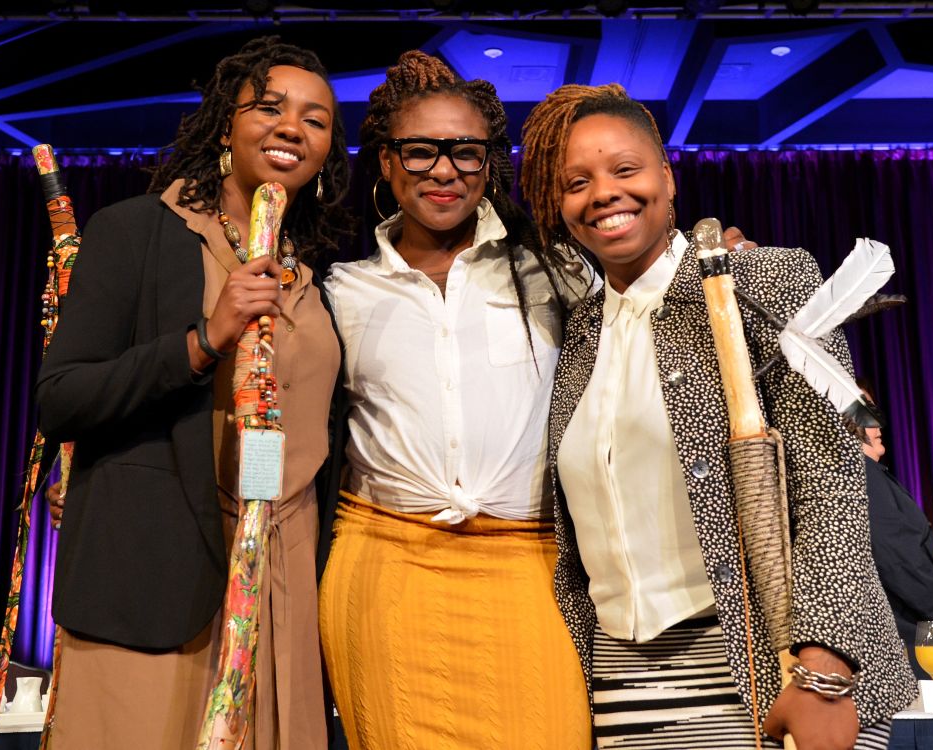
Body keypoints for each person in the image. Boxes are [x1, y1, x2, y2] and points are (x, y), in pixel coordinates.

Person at [519, 83, 917, 749]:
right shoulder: (578, 334)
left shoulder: (761, 284)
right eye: (576, 182)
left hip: (777, 661)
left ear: (667, 178)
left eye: (625, 169)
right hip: (626, 678)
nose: (603, 194)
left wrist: (823, 668)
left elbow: (833, 484)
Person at [35, 36, 354, 750]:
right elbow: (62, 397)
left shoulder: (315, 271)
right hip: (155, 575)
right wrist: (203, 340)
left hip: (283, 584)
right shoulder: (136, 232)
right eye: (269, 108)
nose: (291, 128)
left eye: (316, 119)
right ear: (222, 124)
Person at [316, 50, 596, 750]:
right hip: (386, 572)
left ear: (488, 163)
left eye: (466, 153)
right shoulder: (341, 291)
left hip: (527, 569)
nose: (444, 171)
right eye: (420, 152)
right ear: (385, 162)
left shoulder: (553, 273)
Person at [856, 383, 933, 680]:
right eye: (866, 411)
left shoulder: (874, 477)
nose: (878, 422)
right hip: (922, 644)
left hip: (927, 640)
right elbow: (897, 557)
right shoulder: (865, 478)